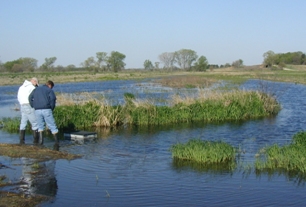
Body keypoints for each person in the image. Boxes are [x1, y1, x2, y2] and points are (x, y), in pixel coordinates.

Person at [29, 80, 59, 148]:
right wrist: (51, 107)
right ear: (50, 85)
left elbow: (30, 98)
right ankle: (57, 143)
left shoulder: (36, 89)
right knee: (52, 125)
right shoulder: (49, 90)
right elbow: (53, 99)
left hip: (37, 110)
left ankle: (41, 142)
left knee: (40, 126)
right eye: (52, 87)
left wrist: (33, 105)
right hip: (47, 109)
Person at [17, 77, 39, 144]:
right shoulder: (32, 87)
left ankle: (21, 140)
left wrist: (21, 103)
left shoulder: (21, 87)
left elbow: (18, 97)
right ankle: (36, 141)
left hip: (22, 105)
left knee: (23, 123)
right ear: (34, 82)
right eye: (36, 84)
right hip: (29, 105)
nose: (36, 85)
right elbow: (34, 97)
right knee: (35, 123)